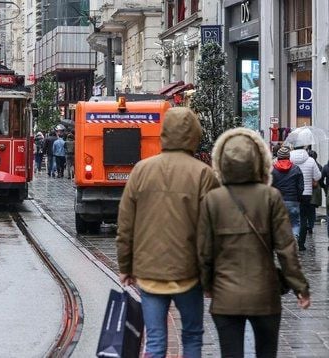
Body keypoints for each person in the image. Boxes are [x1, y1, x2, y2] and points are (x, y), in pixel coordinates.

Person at [198, 128, 310, 358]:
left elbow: (204, 251)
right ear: (259, 161)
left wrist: (208, 284)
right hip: (265, 293)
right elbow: (286, 248)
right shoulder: (270, 197)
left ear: (222, 163)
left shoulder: (213, 199)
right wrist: (300, 287)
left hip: (225, 294)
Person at [116, 108, 219, 358]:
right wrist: (209, 276)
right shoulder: (203, 174)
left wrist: (126, 266)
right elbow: (211, 232)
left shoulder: (141, 170)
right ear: (195, 134)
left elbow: (126, 224)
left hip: (149, 271)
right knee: (192, 336)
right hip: (189, 273)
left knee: (155, 342)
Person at [290, 145, 321, 251]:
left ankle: (291, 241)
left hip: (292, 193)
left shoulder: (289, 159)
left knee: (292, 218)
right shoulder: (311, 160)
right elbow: (317, 176)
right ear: (304, 148)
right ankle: (301, 244)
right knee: (303, 219)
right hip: (306, 193)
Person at [272, 147, 304, 239]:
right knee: (294, 222)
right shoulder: (296, 168)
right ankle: (294, 239)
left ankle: (281, 242)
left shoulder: (272, 169)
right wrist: (298, 198)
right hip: (293, 200)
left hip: (278, 201)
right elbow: (301, 187)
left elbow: (269, 186)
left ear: (278, 157)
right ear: (289, 157)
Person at [308, 150, 321, 235]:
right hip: (315, 190)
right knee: (312, 210)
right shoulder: (319, 166)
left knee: (305, 209)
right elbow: (320, 177)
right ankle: (311, 226)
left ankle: (306, 225)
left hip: (306, 189)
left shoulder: (307, 164)